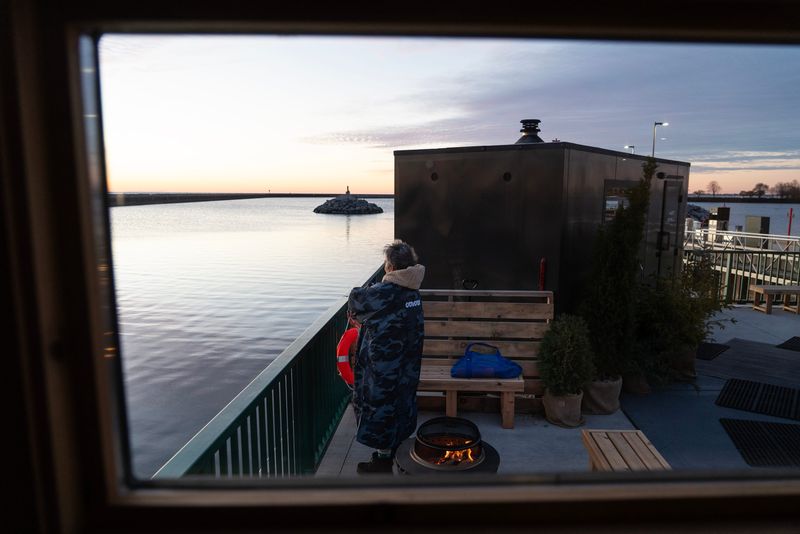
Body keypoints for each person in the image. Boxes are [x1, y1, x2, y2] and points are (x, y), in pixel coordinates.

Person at [348, 240, 425, 474]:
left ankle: (382, 462)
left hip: (384, 364)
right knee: (402, 402)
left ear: (390, 267)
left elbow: (356, 300)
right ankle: (397, 454)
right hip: (408, 361)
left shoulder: (386, 291)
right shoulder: (413, 290)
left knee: (381, 406)